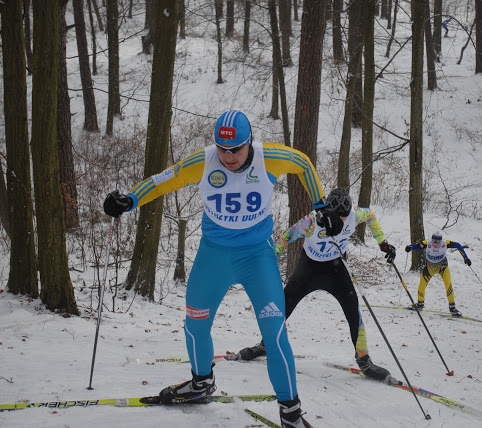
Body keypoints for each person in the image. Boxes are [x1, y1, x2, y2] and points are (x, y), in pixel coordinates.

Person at [103, 110, 343, 428]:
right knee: (195, 323)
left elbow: (302, 163)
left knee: (274, 334)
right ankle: (201, 382)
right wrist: (130, 199)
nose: (228, 156)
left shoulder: (267, 158)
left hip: (258, 257)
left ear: (249, 143)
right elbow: (163, 181)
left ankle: (291, 413)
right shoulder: (202, 162)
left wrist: (320, 204)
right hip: (214, 256)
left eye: (236, 149)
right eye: (222, 148)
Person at [235, 188, 397, 381]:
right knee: (282, 307)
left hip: (337, 271)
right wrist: (271, 256)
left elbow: (370, 215)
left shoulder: (354, 215)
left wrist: (382, 242)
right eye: (340, 217)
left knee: (354, 312)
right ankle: (266, 345)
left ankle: (364, 360)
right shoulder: (312, 221)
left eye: (346, 216)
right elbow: (286, 236)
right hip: (309, 270)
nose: (344, 220)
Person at [404, 231, 471, 317]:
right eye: (434, 241)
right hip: (429, 267)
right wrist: (410, 247)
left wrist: (466, 258)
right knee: (421, 285)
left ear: (440, 241)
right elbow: (417, 246)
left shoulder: (445, 243)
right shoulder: (427, 243)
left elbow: (458, 245)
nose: (435, 244)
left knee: (448, 285)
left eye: (437, 242)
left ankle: (452, 307)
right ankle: (420, 304)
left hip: (442, 267)